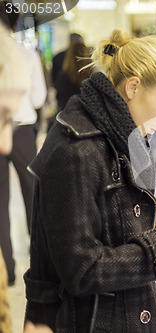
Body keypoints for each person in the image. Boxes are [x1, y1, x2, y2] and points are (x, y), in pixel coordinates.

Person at [24, 28, 156, 332]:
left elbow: (105, 231)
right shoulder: (76, 149)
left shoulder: (123, 136)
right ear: (133, 87)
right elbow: (83, 270)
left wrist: (151, 222)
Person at [0, 21, 53, 333]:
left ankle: (9, 266)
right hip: (26, 129)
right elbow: (36, 98)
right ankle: (40, 257)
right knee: (34, 193)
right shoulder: (23, 53)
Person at [54, 41, 92, 111]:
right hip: (88, 118)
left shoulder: (63, 77)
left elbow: (59, 100)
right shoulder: (92, 78)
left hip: (68, 117)